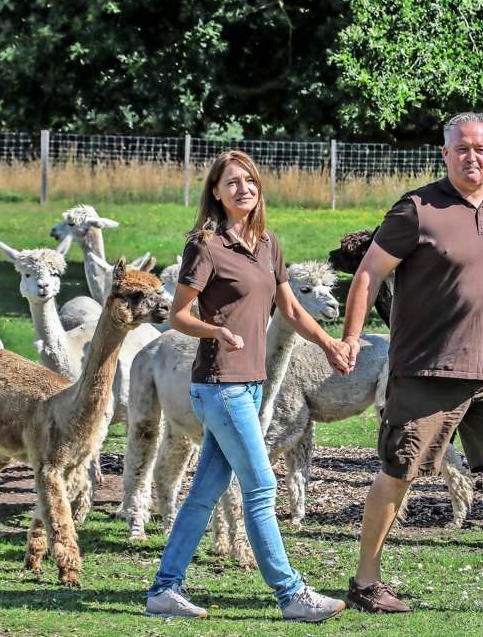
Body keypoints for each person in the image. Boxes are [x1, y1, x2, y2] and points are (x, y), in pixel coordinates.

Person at [340, 112, 483, 618]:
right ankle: (365, 582)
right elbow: (368, 273)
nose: (472, 156)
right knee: (399, 471)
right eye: (461, 148)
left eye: (481, 149)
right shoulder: (417, 210)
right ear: (445, 154)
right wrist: (352, 338)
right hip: (427, 370)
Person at [144, 150, 351, 623]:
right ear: (216, 192)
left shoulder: (268, 243)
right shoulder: (205, 246)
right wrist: (213, 331)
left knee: (203, 494)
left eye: (250, 180)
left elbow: (292, 311)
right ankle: (291, 593)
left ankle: (163, 591)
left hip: (251, 385)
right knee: (261, 486)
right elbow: (178, 315)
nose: (244, 188)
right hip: (220, 387)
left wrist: (329, 344)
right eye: (232, 182)